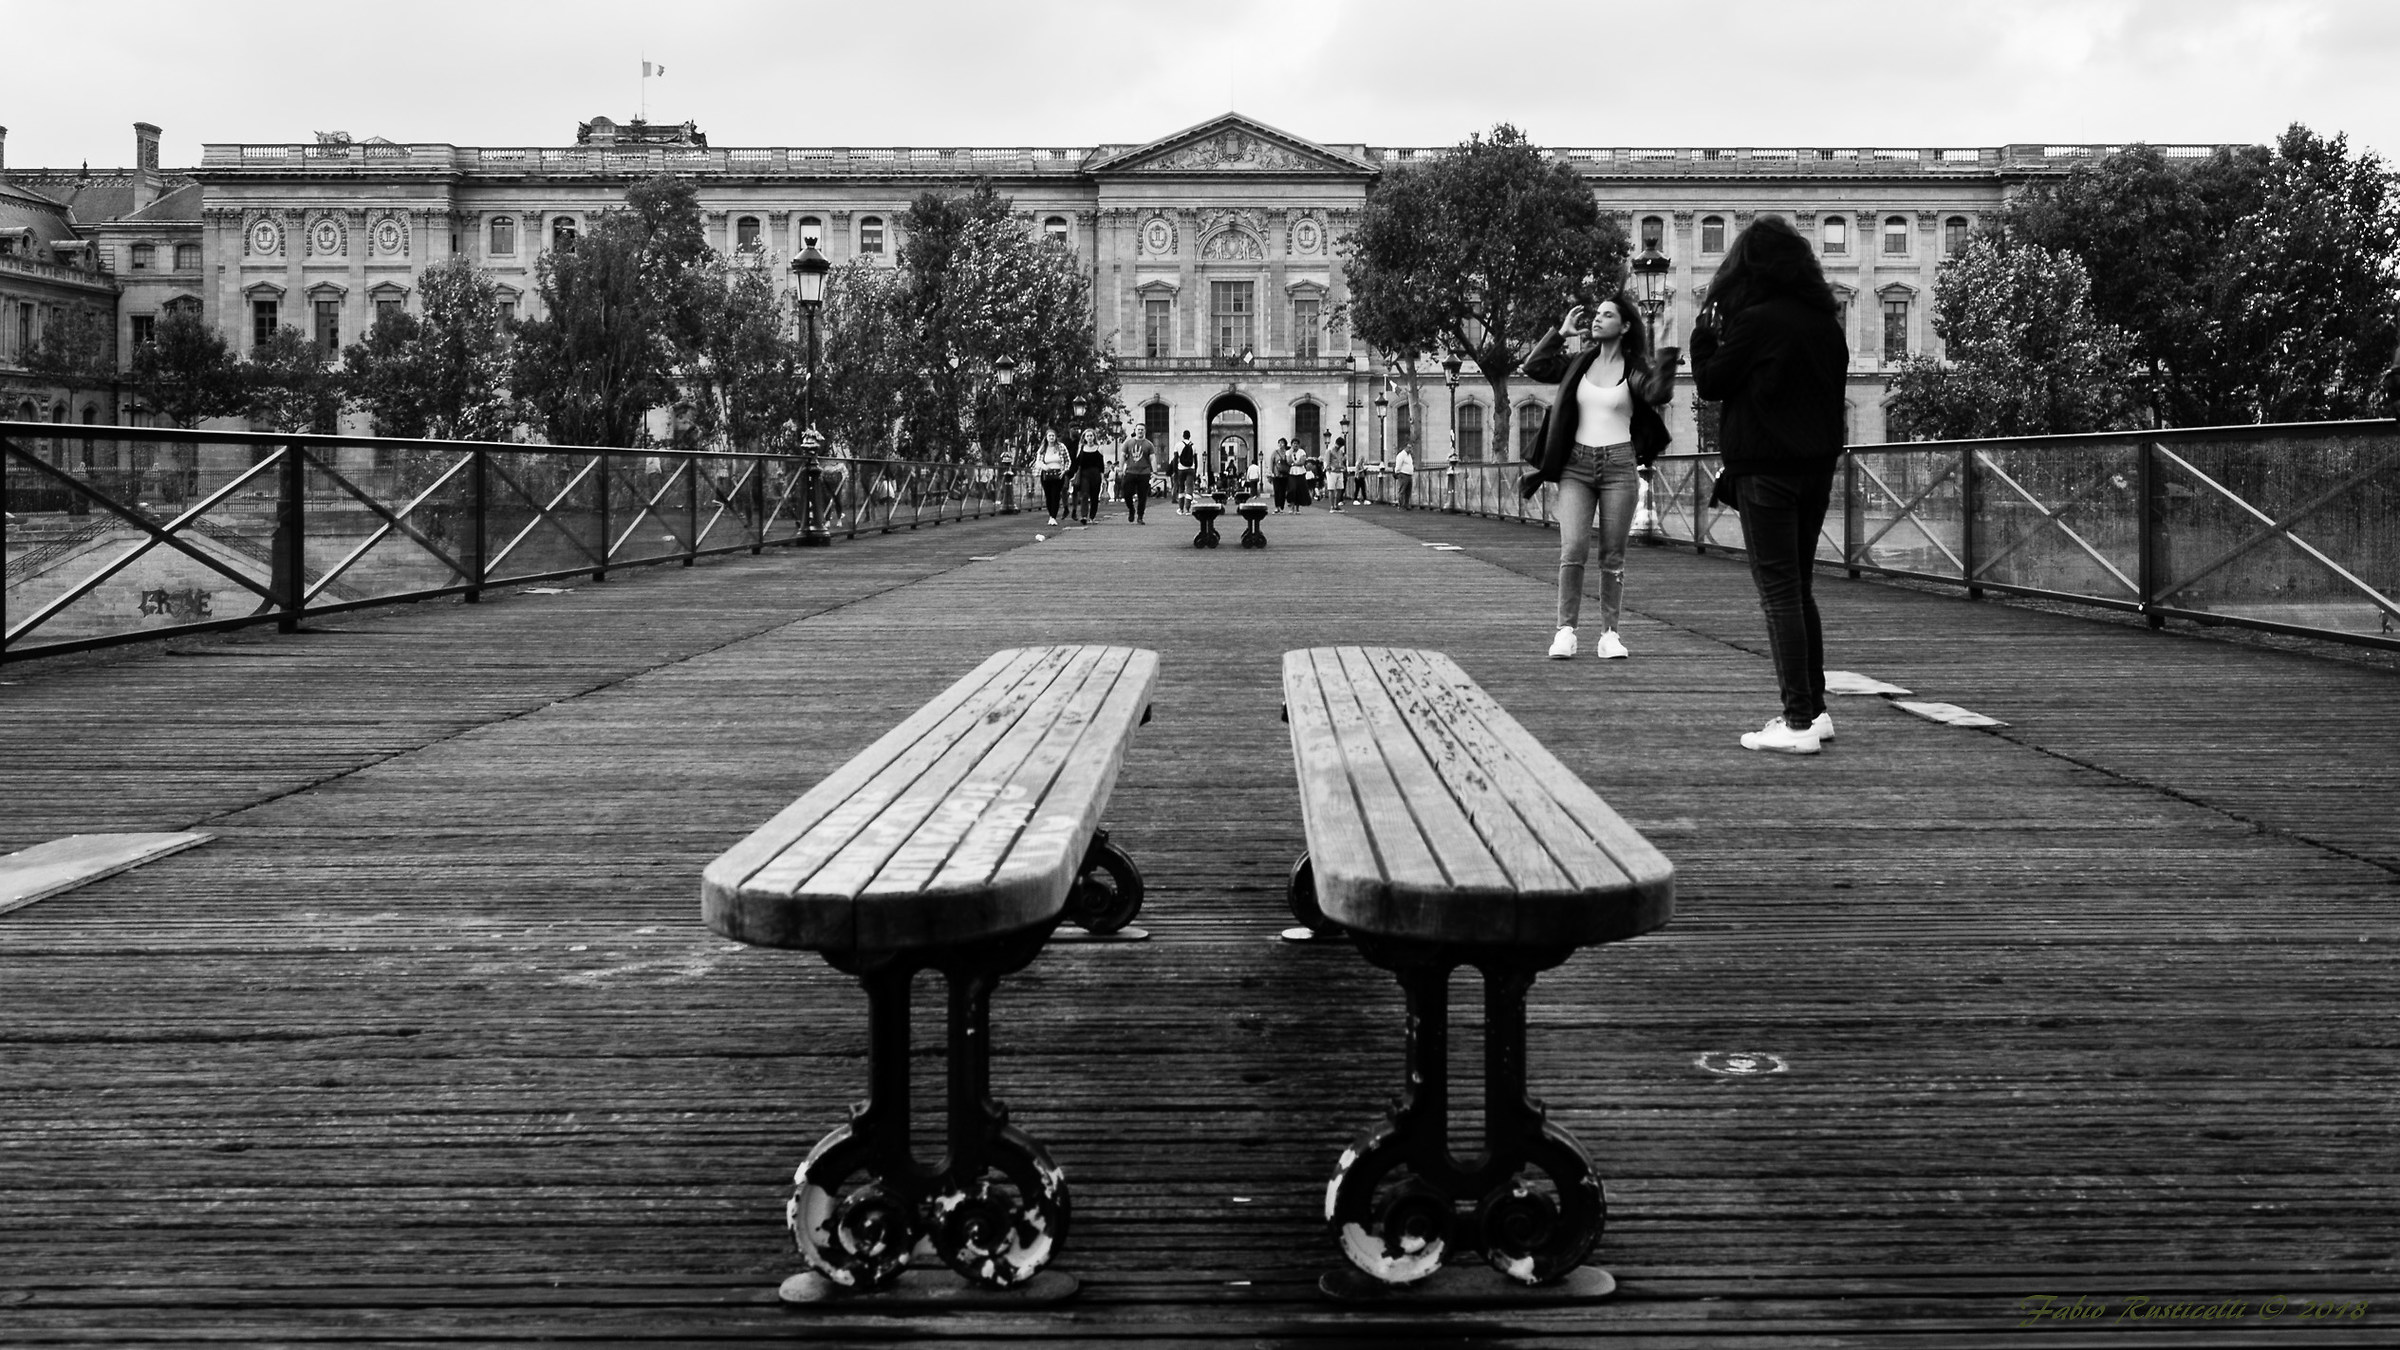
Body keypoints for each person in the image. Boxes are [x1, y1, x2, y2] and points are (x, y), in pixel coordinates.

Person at [1689, 215, 1851, 754]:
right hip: (1817, 468)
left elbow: (1711, 383)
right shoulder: (1826, 323)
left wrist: (1703, 335)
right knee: (1799, 589)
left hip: (1765, 471)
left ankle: (1798, 721)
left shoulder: (1756, 322)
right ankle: (1817, 709)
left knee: (1779, 593)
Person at [1519, 291, 1682, 663]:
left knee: (1612, 555)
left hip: (1619, 465)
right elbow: (1534, 366)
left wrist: (1668, 359)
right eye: (1597, 315)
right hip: (1575, 465)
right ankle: (1566, 631)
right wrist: (1560, 332)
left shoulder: (1634, 369)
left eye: (1607, 315)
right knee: (1573, 548)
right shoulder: (1579, 362)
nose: (1596, 319)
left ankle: (1610, 633)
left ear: (1624, 327)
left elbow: (1657, 392)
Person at [1118, 426, 1155, 524]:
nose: (1140, 431)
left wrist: (1154, 472)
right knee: (1126, 493)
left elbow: (1152, 458)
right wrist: (1121, 468)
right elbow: (1122, 456)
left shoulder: (1149, 444)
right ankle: (1131, 509)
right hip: (1131, 471)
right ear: (1135, 431)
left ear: (1145, 431)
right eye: (1138, 429)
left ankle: (1140, 516)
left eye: (1142, 429)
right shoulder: (1129, 443)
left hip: (1144, 472)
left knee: (1142, 496)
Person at [1070, 427, 1106, 523]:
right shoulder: (1081, 448)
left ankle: (1092, 517)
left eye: (1091, 435)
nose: (1089, 437)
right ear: (1084, 438)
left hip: (1096, 474)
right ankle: (1084, 516)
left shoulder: (1099, 448)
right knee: (1084, 494)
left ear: (1094, 437)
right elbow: (1077, 463)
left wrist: (1103, 479)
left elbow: (1101, 465)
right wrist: (1074, 475)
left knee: (1094, 496)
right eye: (1087, 436)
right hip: (1084, 474)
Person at [1035, 429, 1070, 525]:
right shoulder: (1043, 448)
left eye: (1053, 436)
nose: (1051, 437)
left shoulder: (1061, 447)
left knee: (1056, 495)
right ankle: (1051, 515)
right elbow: (1038, 461)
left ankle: (1053, 516)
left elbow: (1068, 460)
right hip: (1046, 475)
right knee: (1048, 496)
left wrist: (1064, 470)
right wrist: (1044, 467)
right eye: (1049, 436)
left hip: (1058, 474)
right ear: (1046, 437)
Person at [1172, 432, 1199, 512]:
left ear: (1183, 436)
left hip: (1181, 469)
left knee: (1181, 488)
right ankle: (1187, 508)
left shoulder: (1178, 445)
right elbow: (1196, 460)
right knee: (1190, 488)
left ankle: (1181, 508)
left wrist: (1175, 471)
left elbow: (1175, 459)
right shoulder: (1193, 446)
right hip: (1191, 469)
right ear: (1189, 436)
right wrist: (1195, 471)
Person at [1269, 438, 1293, 512]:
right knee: (1276, 490)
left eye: (1282, 443)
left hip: (1285, 474)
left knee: (1283, 491)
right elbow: (1271, 462)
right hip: (1276, 474)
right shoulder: (1275, 452)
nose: (1280, 444)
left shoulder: (1287, 452)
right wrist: (1271, 472)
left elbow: (1290, 462)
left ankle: (1281, 506)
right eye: (1279, 443)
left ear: (1285, 444)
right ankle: (1277, 506)